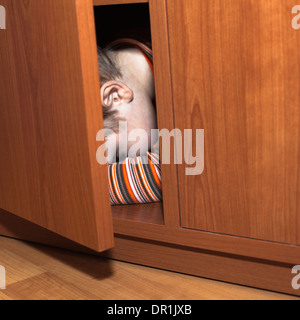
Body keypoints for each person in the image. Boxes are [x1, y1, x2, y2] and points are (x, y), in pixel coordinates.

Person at [98, 38, 162, 205]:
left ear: (115, 95)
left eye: (119, 153)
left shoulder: (185, 76)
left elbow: (169, 169)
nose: (127, 163)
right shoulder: (117, 61)